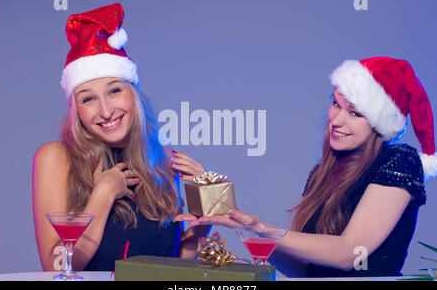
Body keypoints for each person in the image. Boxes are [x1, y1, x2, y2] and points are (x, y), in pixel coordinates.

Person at [179, 57, 437, 277]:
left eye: (355, 113)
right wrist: (245, 228)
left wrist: (262, 229)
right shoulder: (322, 174)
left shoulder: (400, 161)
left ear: (379, 124)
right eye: (336, 104)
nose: (337, 120)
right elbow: (305, 271)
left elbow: (350, 253)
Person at [32, 3, 208, 272]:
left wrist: (200, 223)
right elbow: (56, 268)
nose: (105, 111)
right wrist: (103, 194)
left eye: (114, 91)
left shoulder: (161, 160)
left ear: (133, 93)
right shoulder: (56, 157)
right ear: (76, 109)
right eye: (88, 99)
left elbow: (173, 271)